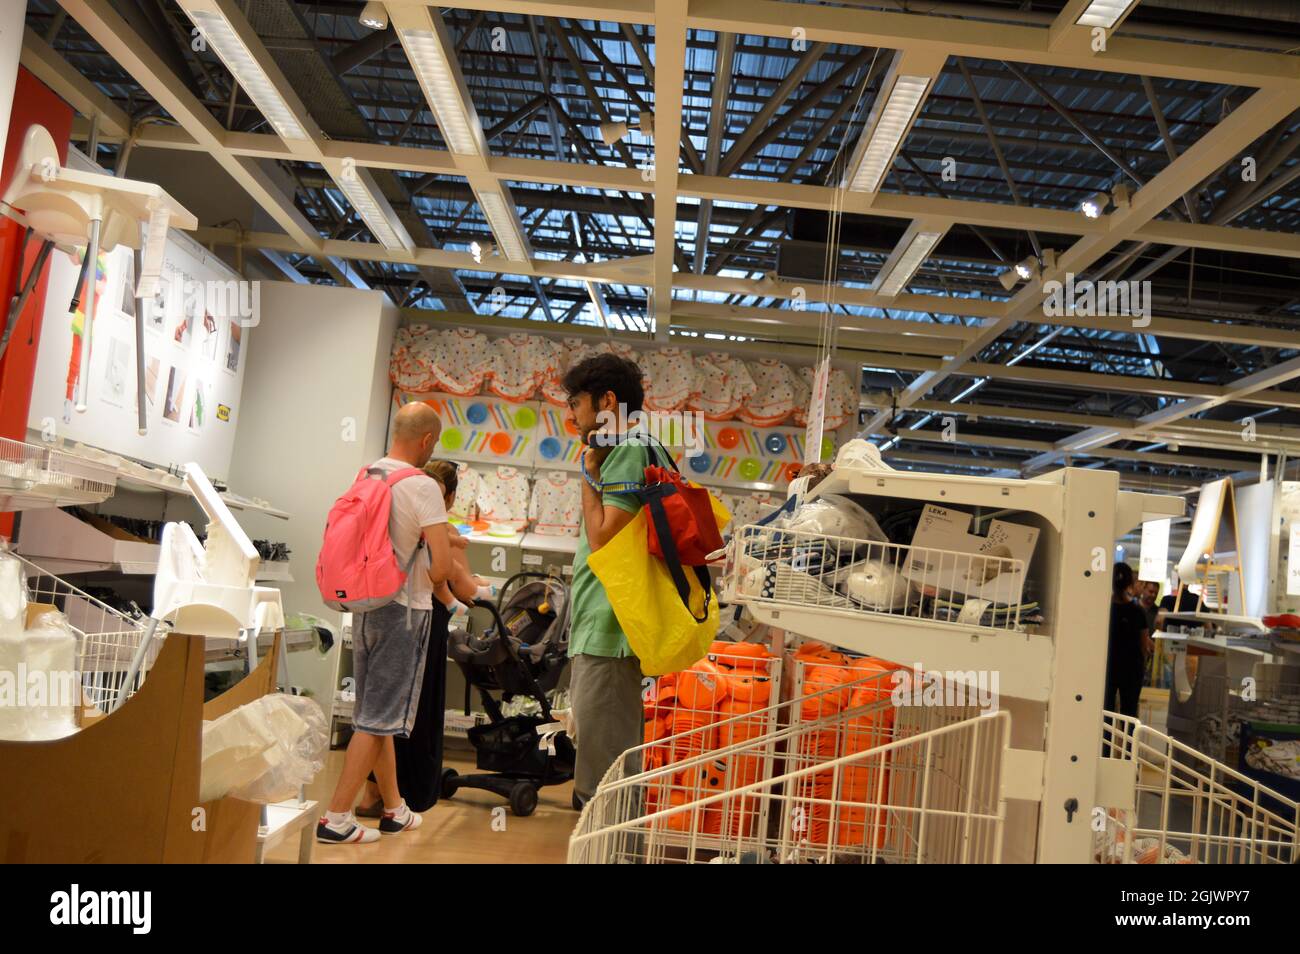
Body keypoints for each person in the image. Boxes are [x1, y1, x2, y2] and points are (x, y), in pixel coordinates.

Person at [318, 403, 453, 845]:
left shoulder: (368, 474)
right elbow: (440, 569)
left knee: (378, 713)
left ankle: (394, 809)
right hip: (404, 611)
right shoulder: (424, 486)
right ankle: (335, 817)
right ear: (427, 441)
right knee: (378, 720)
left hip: (365, 605)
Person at [355, 460, 488, 817]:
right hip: (422, 620)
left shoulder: (394, 506)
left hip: (384, 610)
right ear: (450, 494)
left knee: (382, 710)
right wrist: (467, 589)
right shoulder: (435, 523)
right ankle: (397, 798)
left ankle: (376, 796)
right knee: (410, 712)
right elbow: (450, 576)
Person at [563, 353, 651, 808]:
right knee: (605, 766)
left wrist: (588, 474)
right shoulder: (624, 450)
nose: (571, 414)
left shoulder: (630, 449)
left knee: (604, 779)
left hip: (611, 633)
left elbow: (602, 538)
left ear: (607, 401)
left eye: (576, 402)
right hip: (601, 629)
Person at [1106, 562, 1152, 721]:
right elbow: (1144, 645)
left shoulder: (1105, 609)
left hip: (1108, 668)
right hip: (1132, 670)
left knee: (1106, 714)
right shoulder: (1137, 611)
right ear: (1130, 583)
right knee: (1129, 715)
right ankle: (1127, 746)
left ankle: (1104, 746)